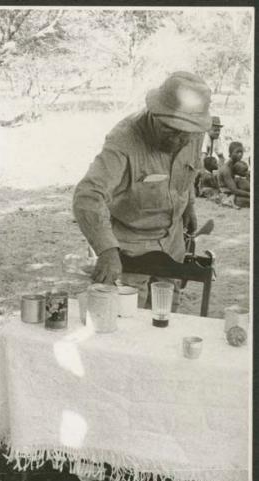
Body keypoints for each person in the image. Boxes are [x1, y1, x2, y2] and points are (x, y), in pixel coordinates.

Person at [73, 71, 212, 309]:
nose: (178, 139)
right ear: (156, 114)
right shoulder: (124, 139)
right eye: (171, 128)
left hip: (173, 240)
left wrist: (188, 204)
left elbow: (189, 171)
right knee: (127, 317)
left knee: (168, 311)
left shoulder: (195, 131)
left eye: (185, 132)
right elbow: (87, 196)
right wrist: (107, 250)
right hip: (129, 245)